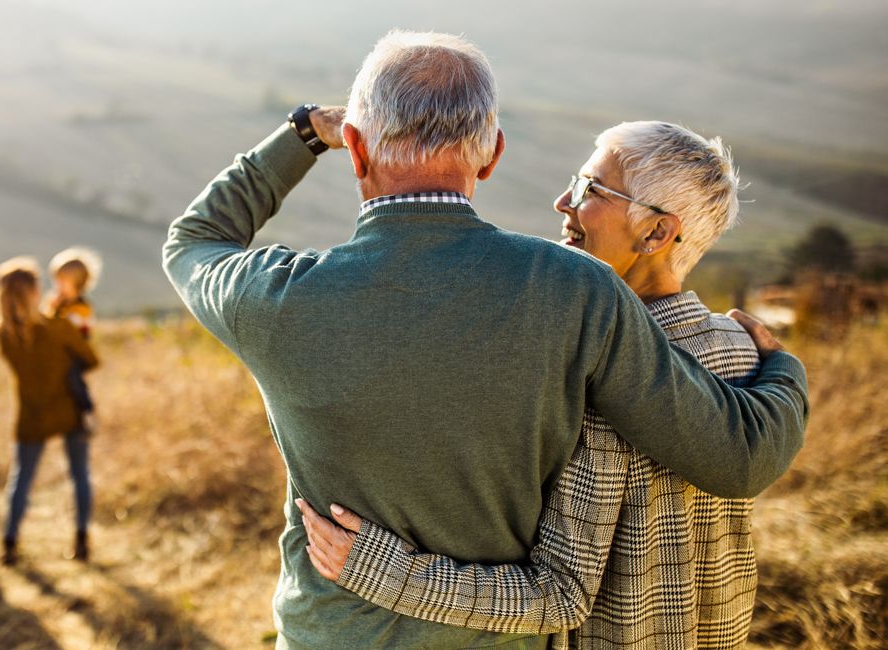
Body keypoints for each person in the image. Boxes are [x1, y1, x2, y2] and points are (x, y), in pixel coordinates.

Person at [161, 30, 808, 649]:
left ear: (355, 150)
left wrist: (305, 133)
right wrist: (782, 369)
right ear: (492, 154)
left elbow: (194, 240)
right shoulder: (576, 290)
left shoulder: (275, 297)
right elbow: (738, 457)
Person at [299, 122, 776, 648]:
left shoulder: (592, 375)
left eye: (590, 190)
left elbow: (560, 595)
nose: (562, 202)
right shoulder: (744, 348)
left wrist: (381, 571)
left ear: (656, 233)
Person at [0, 257, 100, 564]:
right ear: (34, 292)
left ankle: (9, 543)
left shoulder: (0, 332)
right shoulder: (59, 327)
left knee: (21, 480)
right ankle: (81, 540)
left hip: (31, 413)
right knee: (79, 475)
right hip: (69, 409)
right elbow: (91, 359)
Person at [46, 246, 102, 431]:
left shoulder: (82, 307)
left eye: (62, 281)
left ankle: (87, 409)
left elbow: (74, 329)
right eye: (57, 280)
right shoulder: (59, 304)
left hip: (76, 353)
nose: (58, 285)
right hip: (59, 353)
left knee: (74, 378)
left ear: (76, 283)